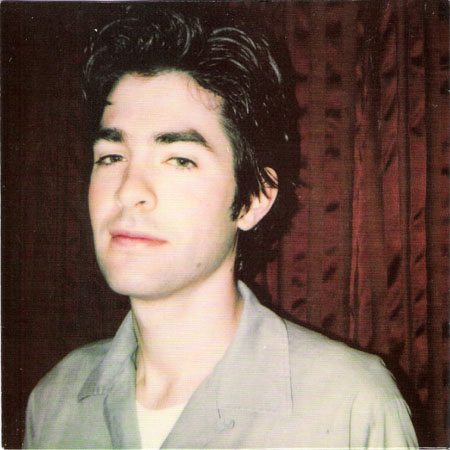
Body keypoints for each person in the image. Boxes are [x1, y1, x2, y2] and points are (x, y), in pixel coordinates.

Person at [24, 6, 418, 449]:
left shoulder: (349, 405)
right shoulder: (55, 399)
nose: (129, 190)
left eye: (179, 160)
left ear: (253, 199)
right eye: (112, 157)